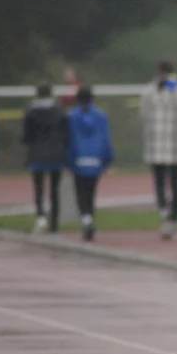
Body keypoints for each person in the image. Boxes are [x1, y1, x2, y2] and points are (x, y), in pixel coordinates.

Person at [140, 60, 177, 240]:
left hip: (162, 146)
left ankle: (166, 215)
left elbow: (142, 115)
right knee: (173, 185)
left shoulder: (150, 91)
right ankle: (172, 219)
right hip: (173, 146)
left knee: (161, 183)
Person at [66, 85, 114, 242]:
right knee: (91, 192)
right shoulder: (101, 117)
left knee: (81, 193)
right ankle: (89, 218)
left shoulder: (72, 117)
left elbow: (70, 140)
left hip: (79, 159)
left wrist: (69, 160)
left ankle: (86, 219)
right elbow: (106, 139)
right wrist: (107, 159)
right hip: (96, 159)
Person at [21, 82, 69, 234]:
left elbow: (26, 135)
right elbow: (66, 132)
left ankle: (41, 218)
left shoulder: (31, 111)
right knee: (55, 190)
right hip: (56, 154)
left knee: (38, 188)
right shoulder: (60, 110)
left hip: (37, 153)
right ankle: (55, 223)